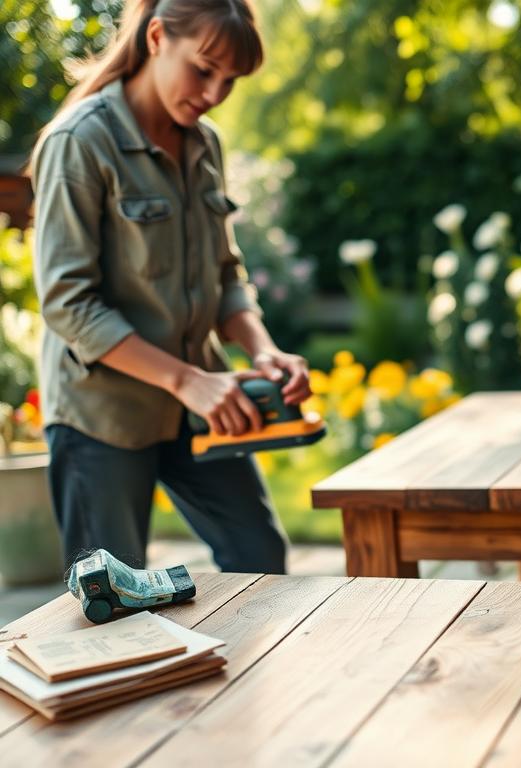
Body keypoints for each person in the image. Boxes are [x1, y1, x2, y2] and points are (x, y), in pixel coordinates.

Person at [30, 0, 310, 573]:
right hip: (101, 414)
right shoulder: (79, 141)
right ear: (157, 37)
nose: (214, 93)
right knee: (111, 595)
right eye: (204, 69)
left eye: (230, 80)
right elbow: (68, 304)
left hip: (199, 405)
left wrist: (263, 350)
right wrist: (187, 381)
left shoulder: (205, 145)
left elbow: (225, 274)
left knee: (259, 557)